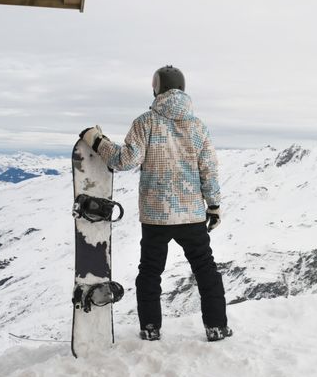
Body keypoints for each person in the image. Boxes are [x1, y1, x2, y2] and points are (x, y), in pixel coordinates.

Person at [80, 65, 232, 342]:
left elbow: (124, 161)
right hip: (191, 216)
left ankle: (150, 328)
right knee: (206, 270)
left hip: (155, 216)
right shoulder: (198, 126)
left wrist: (96, 140)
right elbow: (208, 169)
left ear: (157, 88)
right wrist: (214, 206)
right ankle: (217, 326)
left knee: (150, 272)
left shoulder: (145, 122)